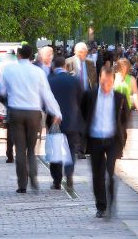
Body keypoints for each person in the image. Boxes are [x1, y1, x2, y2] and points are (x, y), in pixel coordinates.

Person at [0, 44, 62, 193]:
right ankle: (33, 177)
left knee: (20, 149)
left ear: (19, 55)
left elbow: (1, 90)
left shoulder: (9, 70)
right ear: (31, 55)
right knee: (31, 150)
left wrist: (8, 99)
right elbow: (47, 94)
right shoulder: (38, 72)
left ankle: (22, 184)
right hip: (34, 113)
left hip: (16, 111)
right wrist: (57, 112)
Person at [81, 66, 130, 219]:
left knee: (110, 171)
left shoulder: (120, 97)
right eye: (103, 81)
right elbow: (83, 113)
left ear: (113, 81)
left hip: (112, 139)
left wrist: (123, 138)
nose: (105, 84)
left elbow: (124, 119)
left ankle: (111, 202)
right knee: (97, 174)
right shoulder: (90, 95)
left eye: (108, 81)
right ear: (99, 80)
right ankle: (101, 206)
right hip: (95, 139)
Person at [48, 56, 84, 190]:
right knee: (70, 150)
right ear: (64, 66)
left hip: (54, 120)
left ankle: (57, 181)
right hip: (72, 120)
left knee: (55, 151)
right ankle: (69, 174)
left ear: (53, 66)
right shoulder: (74, 80)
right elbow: (81, 99)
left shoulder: (50, 80)